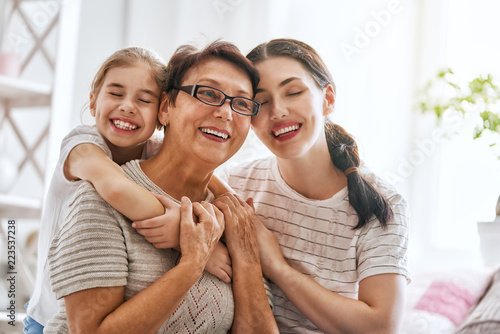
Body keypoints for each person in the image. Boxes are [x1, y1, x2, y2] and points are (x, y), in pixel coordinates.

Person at [44, 40, 278, 333]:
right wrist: (192, 262)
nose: (226, 113)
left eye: (241, 103)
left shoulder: (229, 215)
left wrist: (245, 253)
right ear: (165, 108)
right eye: (207, 93)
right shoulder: (99, 193)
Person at [219, 38, 411, 334]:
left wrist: (278, 267)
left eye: (293, 92)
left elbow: (380, 327)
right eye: (261, 102)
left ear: (328, 99)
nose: (278, 112)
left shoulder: (382, 202)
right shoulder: (235, 183)